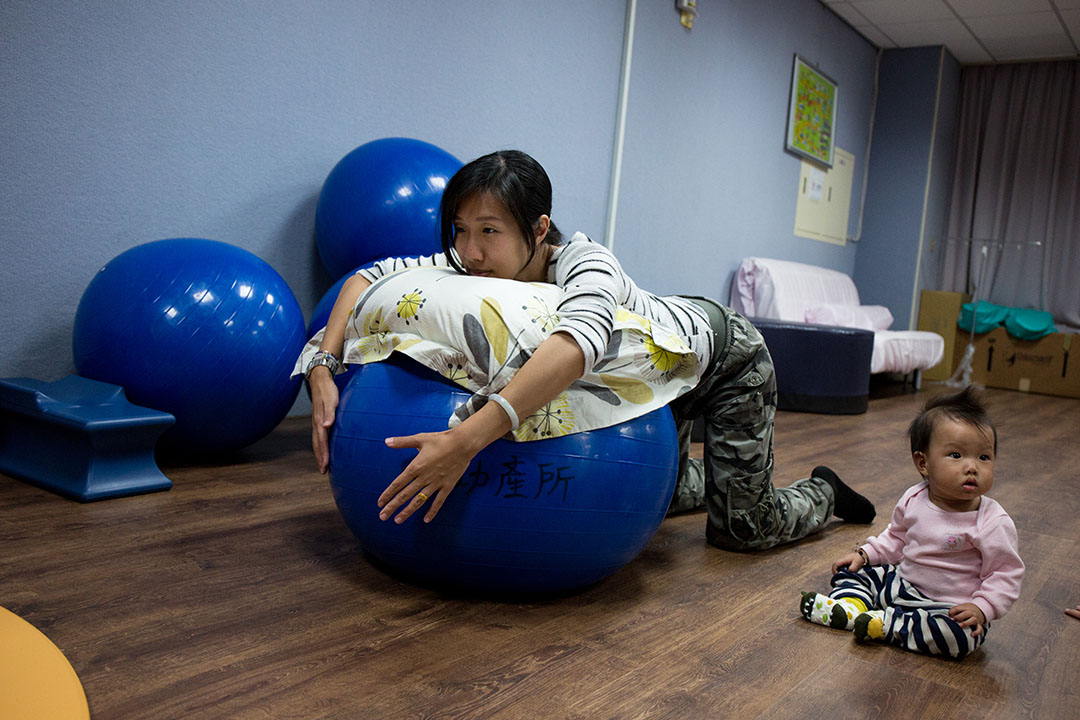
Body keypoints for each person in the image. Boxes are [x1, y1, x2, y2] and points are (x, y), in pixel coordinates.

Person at [305, 149, 876, 551]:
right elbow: (368, 278)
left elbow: (579, 343)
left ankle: (822, 491)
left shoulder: (585, 262)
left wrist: (467, 441)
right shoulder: (468, 262)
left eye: (489, 231)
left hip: (723, 357)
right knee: (668, 495)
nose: (470, 251)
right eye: (459, 230)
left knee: (742, 531)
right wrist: (325, 366)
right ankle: (726, 475)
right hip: (658, 367)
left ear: (539, 228)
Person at [799, 385, 1024, 659]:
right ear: (923, 463)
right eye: (956, 455)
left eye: (984, 457)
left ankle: (886, 626)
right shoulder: (914, 498)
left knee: (961, 637)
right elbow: (895, 537)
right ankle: (851, 607)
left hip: (947, 607)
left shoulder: (992, 521)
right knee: (853, 572)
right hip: (901, 585)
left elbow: (1005, 574)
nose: (972, 467)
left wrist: (982, 607)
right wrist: (865, 554)